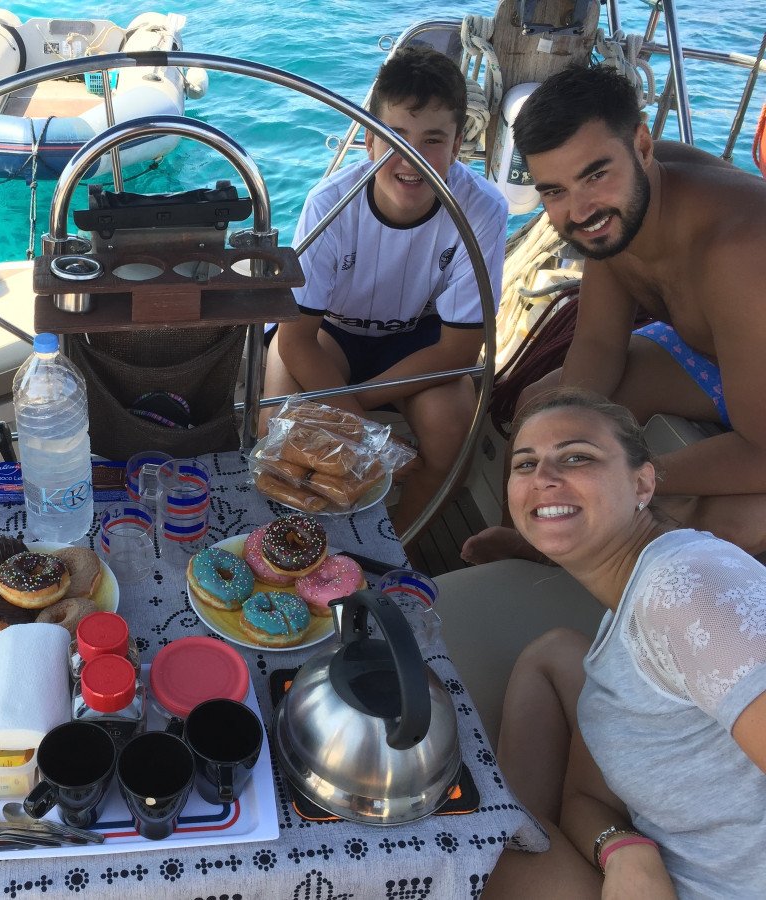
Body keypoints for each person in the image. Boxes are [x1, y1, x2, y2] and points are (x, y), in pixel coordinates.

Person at [462, 64, 766, 565]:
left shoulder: (740, 249)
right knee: (543, 407)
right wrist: (562, 434)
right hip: (709, 356)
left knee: (731, 525)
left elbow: (761, 449)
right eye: (554, 191)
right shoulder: (621, 210)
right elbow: (600, 345)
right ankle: (524, 542)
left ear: (642, 146)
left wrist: (633, 477)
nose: (579, 210)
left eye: (595, 175)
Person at [480, 389, 766, 899]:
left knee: (467, 838)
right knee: (552, 653)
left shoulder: (686, 592)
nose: (544, 477)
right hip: (651, 865)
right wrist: (623, 849)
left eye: (576, 457)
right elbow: (587, 797)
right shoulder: (632, 609)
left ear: (642, 482)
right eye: (525, 464)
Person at [262, 45, 507, 537]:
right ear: (369, 143)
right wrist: (369, 437)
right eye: (395, 136)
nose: (411, 157)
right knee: (277, 429)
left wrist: (359, 416)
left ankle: (399, 549)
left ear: (458, 145)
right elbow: (294, 340)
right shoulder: (329, 204)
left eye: (432, 139)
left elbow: (460, 348)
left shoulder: (482, 210)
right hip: (329, 335)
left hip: (423, 343)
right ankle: (296, 542)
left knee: (451, 430)